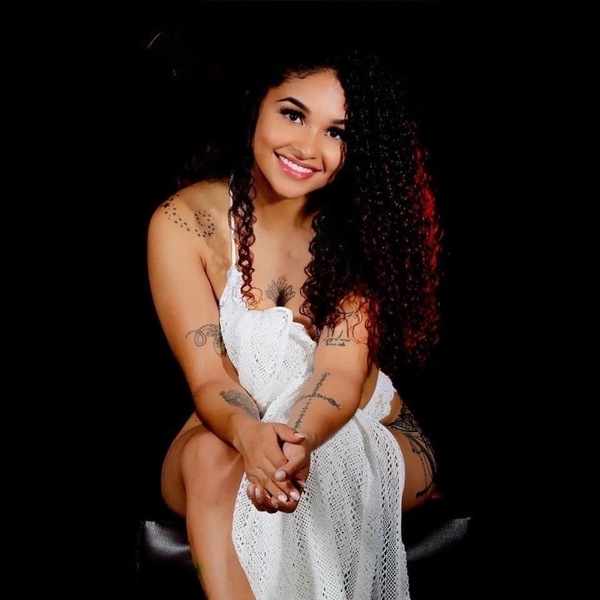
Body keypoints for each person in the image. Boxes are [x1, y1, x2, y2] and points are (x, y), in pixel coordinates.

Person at [147, 41, 442, 599]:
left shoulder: (360, 229)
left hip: (357, 427)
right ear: (257, 103)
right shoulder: (186, 223)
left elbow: (338, 374)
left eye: (338, 133)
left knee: (330, 467)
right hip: (228, 423)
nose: (309, 148)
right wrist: (250, 435)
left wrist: (295, 446)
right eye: (294, 114)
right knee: (211, 455)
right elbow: (208, 375)